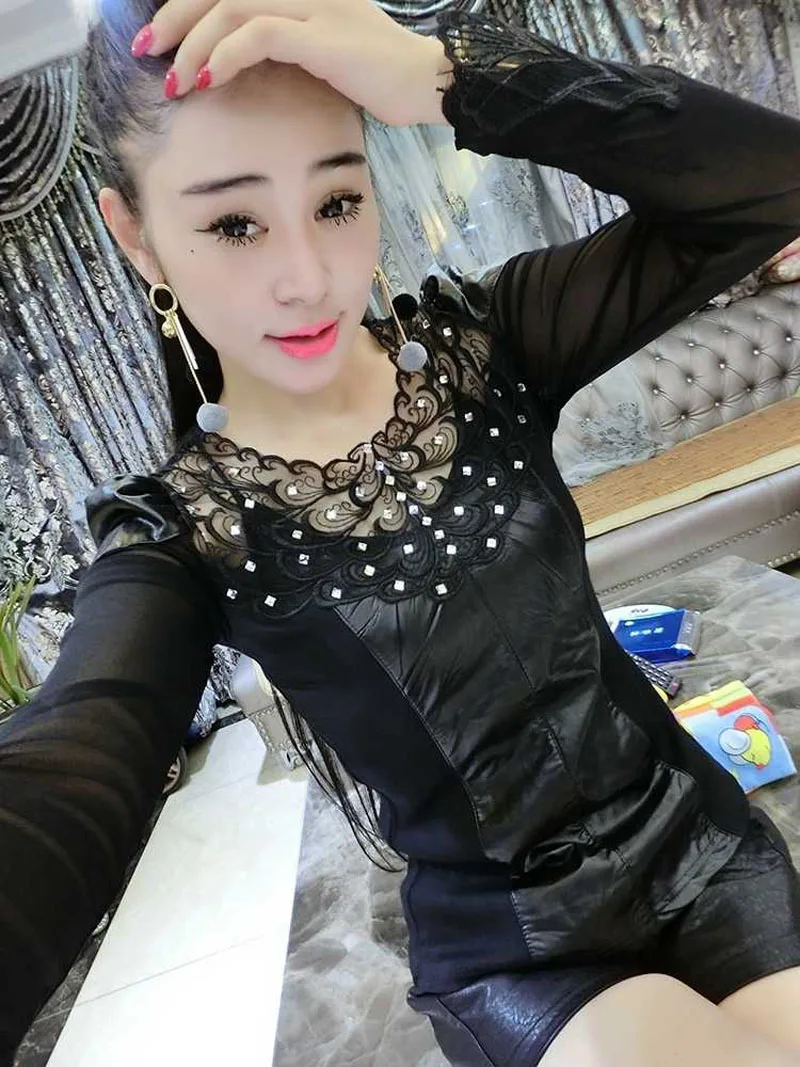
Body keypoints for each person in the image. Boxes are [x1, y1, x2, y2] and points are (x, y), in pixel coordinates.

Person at [2, 0, 800, 1064]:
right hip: (520, 949)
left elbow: (771, 182)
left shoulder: (489, 342)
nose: (307, 275)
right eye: (234, 223)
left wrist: (444, 73)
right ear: (135, 232)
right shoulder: (183, 531)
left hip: (704, 846)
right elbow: (77, 751)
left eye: (336, 200)